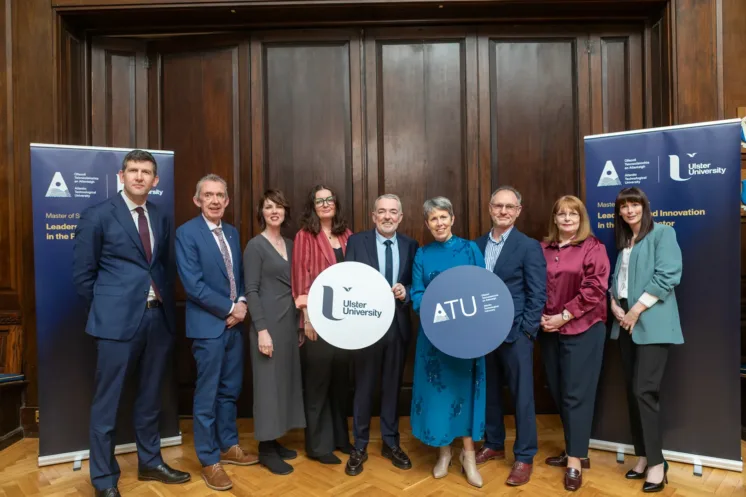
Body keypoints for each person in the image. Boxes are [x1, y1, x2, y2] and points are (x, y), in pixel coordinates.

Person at [72, 150, 190, 497]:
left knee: (150, 397)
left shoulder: (160, 216)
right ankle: (105, 480)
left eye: (147, 172)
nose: (140, 176)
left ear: (155, 181)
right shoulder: (97, 215)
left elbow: (162, 268)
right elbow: (83, 277)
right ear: (121, 176)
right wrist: (109, 309)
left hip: (158, 320)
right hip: (115, 325)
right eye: (133, 170)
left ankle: (150, 462)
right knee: (107, 404)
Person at [175, 174, 258, 491]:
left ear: (227, 200)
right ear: (197, 201)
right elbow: (193, 285)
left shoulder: (233, 233)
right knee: (207, 395)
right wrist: (229, 308)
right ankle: (209, 460)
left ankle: (228, 446)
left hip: (234, 326)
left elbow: (236, 277)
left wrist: (241, 304)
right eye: (207, 195)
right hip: (208, 327)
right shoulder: (187, 233)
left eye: (220, 195)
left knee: (230, 391)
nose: (214, 200)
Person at [609, 186, 682, 493]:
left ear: (644, 206)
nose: (629, 210)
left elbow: (668, 275)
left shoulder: (663, 233)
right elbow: (619, 282)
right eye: (624, 206)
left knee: (645, 392)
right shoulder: (625, 241)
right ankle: (643, 456)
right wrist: (614, 304)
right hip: (624, 323)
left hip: (650, 323)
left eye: (634, 204)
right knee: (632, 392)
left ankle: (656, 465)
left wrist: (635, 310)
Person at [410, 196, 487, 488]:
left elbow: (484, 289)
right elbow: (417, 295)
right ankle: (443, 454)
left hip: (467, 339)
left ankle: (468, 456)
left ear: (452, 219)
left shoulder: (470, 249)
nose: (439, 223)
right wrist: (435, 312)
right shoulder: (423, 254)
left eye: (444, 217)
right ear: (427, 224)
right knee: (439, 397)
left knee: (465, 393)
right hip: (434, 339)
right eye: (433, 219)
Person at [474, 186, 546, 487]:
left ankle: (524, 455)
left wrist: (527, 331)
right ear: (490, 208)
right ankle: (493, 442)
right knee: (489, 391)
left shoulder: (528, 246)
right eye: (498, 206)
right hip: (483, 333)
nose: (503, 211)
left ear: (518, 211)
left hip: (516, 334)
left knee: (522, 397)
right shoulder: (475, 246)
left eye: (510, 207)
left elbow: (537, 292)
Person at [343, 194, 418, 476]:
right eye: (382, 212)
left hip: (397, 327)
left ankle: (390, 442)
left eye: (393, 212)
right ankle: (359, 446)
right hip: (366, 329)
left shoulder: (411, 245)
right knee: (363, 388)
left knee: (392, 388)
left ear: (400, 217)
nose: (388, 216)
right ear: (373, 216)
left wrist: (406, 292)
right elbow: (347, 282)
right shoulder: (357, 242)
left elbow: (415, 282)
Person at [539, 195, 610, 492]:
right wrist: (541, 317)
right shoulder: (542, 249)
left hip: (583, 328)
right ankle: (573, 448)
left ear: (582, 219)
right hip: (548, 331)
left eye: (573, 214)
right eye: (561, 214)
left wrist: (562, 316)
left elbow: (595, 289)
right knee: (558, 390)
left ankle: (575, 461)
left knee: (576, 395)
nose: (567, 219)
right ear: (554, 219)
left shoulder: (594, 248)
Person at [244, 189, 306, 475]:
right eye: (268, 207)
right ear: (262, 212)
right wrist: (262, 330)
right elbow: (252, 291)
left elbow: (296, 287)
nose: (274, 211)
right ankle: (265, 450)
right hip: (267, 323)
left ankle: (275, 438)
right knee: (268, 387)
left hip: (287, 322)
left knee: (283, 383)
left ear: (285, 212)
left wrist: (300, 323)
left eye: (279, 207)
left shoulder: (292, 244)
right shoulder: (255, 246)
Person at [291, 184, 353, 464]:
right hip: (317, 320)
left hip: (345, 322)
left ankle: (341, 439)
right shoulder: (306, 236)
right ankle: (318, 446)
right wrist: (307, 318)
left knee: (340, 384)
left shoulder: (347, 235)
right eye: (320, 201)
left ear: (336, 204)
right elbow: (301, 279)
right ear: (313, 206)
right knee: (317, 384)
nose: (326, 204)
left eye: (330, 199)